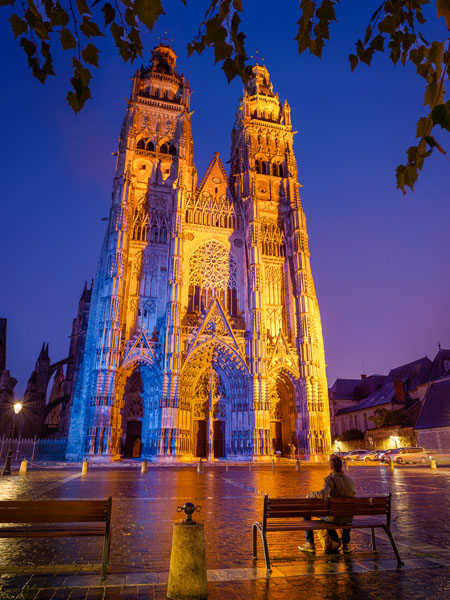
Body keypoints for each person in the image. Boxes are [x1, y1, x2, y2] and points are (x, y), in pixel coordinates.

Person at [298, 454, 355, 554]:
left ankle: (309, 543)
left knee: (306, 512)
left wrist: (310, 494)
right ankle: (346, 544)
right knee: (346, 513)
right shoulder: (350, 481)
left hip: (335, 517)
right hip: (348, 517)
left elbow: (323, 494)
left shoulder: (330, 479)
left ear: (330, 467)